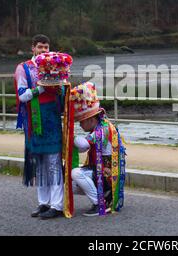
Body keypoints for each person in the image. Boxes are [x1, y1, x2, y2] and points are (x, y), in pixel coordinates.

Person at [14, 34, 69, 219]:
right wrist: (41, 89)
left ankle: (57, 205)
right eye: (40, 47)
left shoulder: (56, 68)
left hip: (52, 119)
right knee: (40, 164)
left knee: (54, 162)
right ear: (33, 48)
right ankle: (43, 203)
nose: (43, 51)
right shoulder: (23, 69)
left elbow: (62, 93)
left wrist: (62, 89)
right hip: (35, 119)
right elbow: (22, 96)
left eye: (46, 47)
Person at [70, 82, 126, 217]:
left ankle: (99, 203)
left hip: (107, 174)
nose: (81, 125)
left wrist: (70, 137)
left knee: (76, 173)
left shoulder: (103, 129)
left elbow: (83, 145)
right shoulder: (101, 126)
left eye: (81, 121)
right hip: (101, 171)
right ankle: (105, 197)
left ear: (91, 119)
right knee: (70, 184)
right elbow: (84, 148)